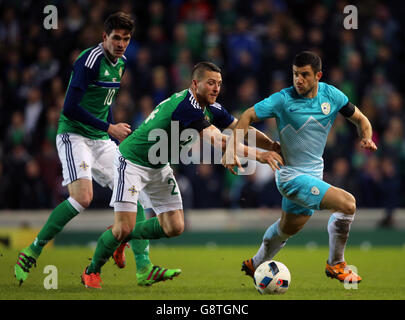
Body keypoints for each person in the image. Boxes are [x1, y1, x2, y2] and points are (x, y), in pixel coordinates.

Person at [81, 61, 283, 288]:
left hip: (158, 165)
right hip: (132, 163)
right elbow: (218, 140)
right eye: (210, 83)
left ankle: (123, 237)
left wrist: (272, 146)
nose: (216, 88)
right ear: (195, 84)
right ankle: (92, 271)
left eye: (219, 84)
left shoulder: (212, 108)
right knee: (123, 227)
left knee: (175, 226)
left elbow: (242, 130)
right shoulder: (187, 106)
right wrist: (261, 156)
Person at [14, 12, 179, 287]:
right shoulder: (88, 61)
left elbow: (104, 103)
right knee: (83, 198)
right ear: (105, 37)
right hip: (73, 135)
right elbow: (69, 108)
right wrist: (109, 128)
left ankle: (144, 267)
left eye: (126, 39)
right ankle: (33, 250)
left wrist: (111, 130)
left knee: (132, 191)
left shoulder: (122, 64)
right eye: (116, 38)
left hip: (101, 139)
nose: (121, 44)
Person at [223, 51, 377, 284]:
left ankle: (255, 264)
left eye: (305, 75)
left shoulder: (331, 96)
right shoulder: (283, 99)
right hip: (290, 176)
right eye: (295, 74)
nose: (299, 80)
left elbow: (361, 119)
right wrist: (232, 150)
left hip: (313, 174)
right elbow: (247, 116)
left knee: (287, 228)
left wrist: (366, 137)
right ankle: (336, 264)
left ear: (318, 76)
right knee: (348, 204)